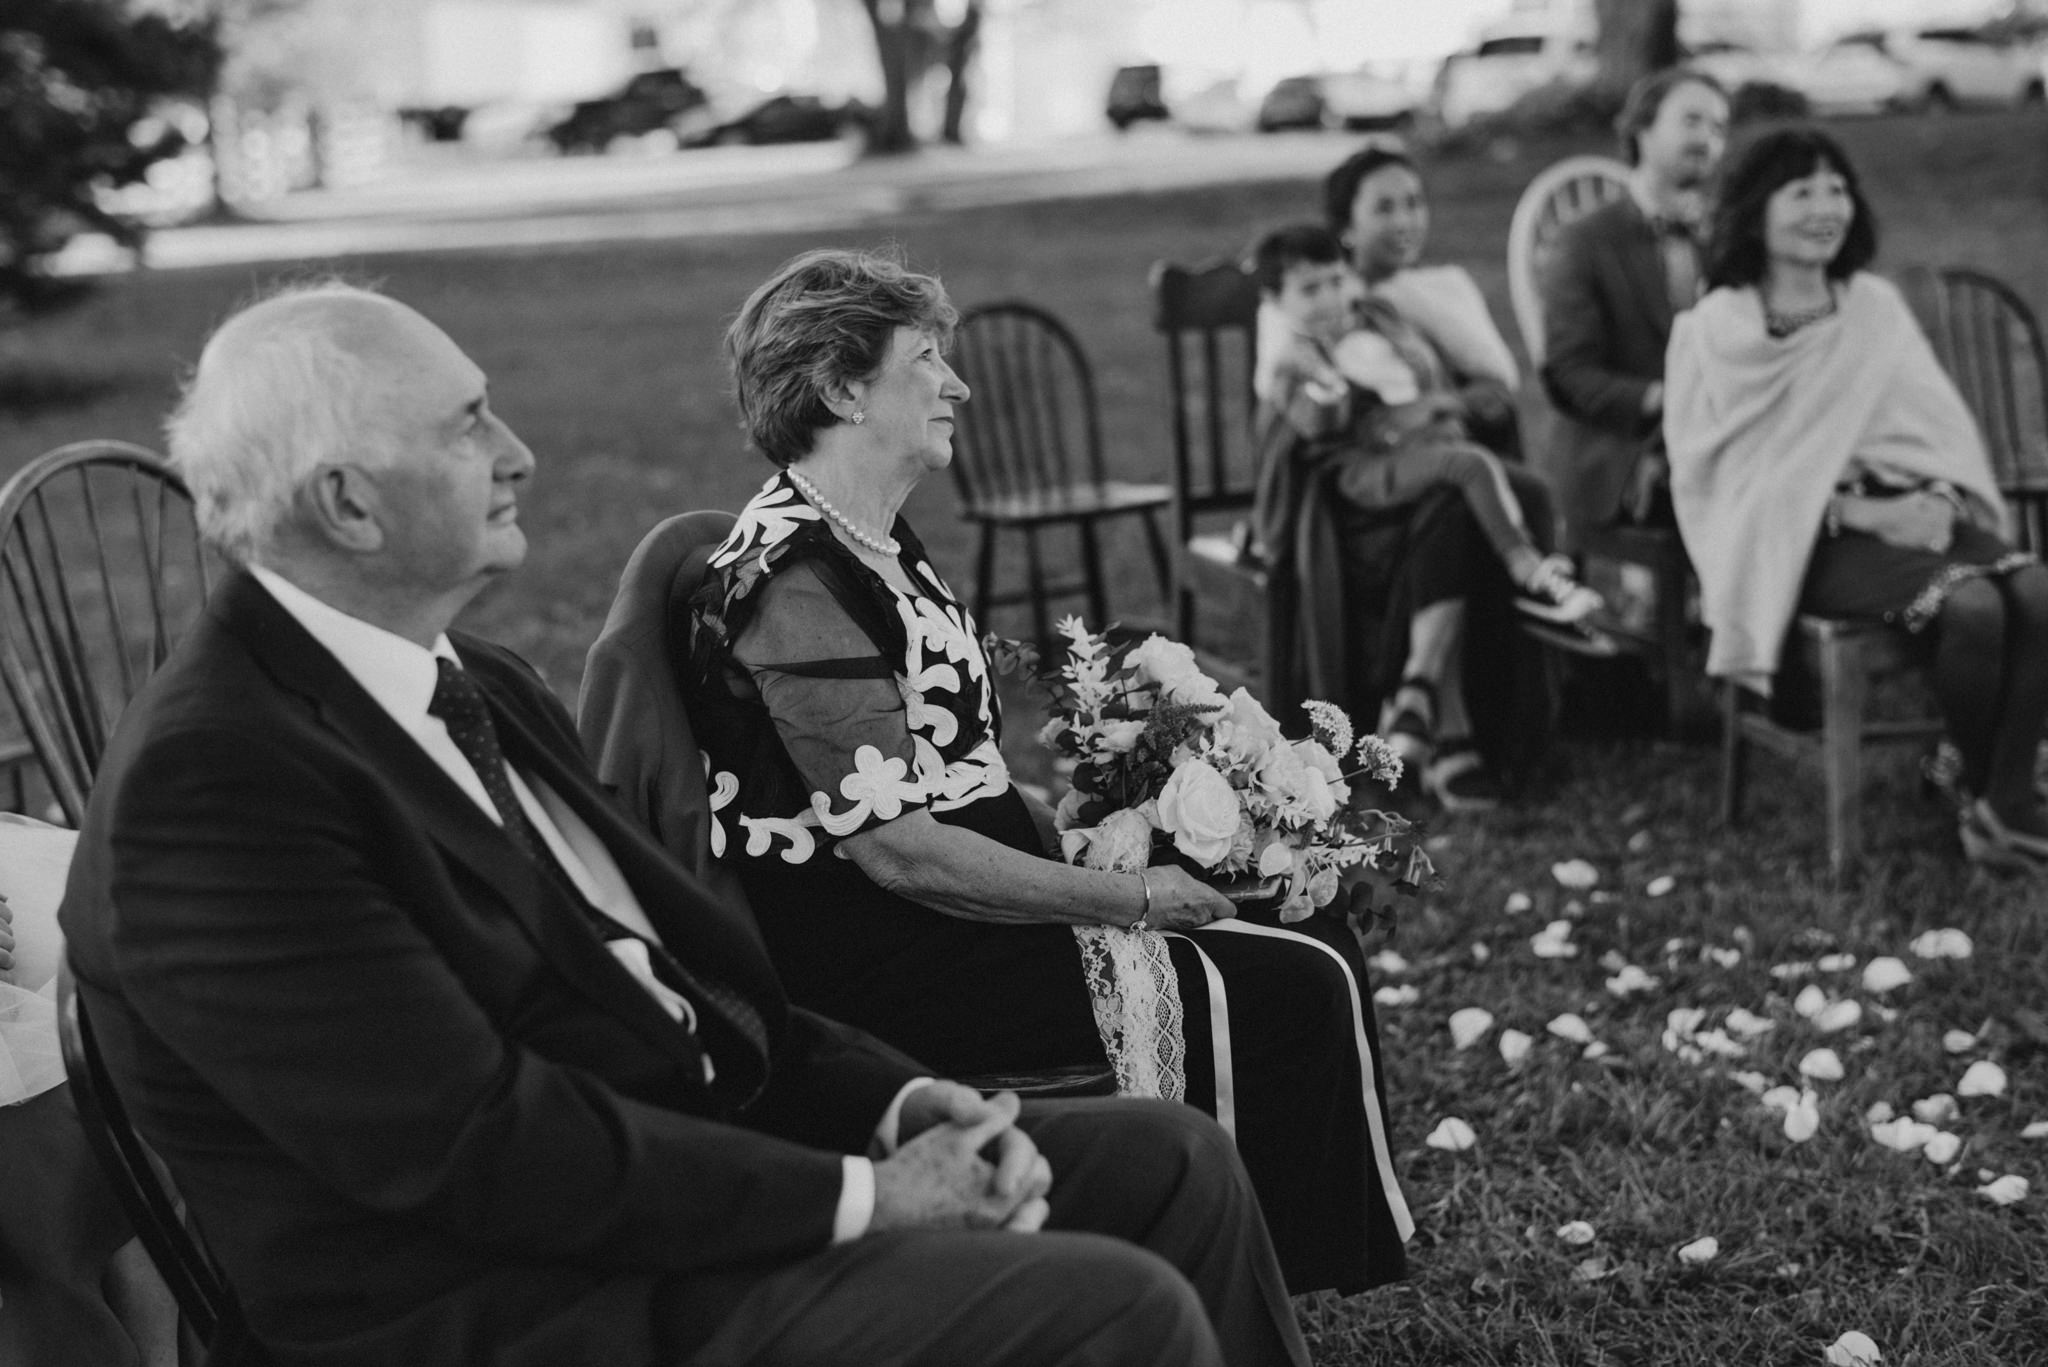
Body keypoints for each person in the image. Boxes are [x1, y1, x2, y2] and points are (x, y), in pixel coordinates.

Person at [56, 281, 1314, 1367]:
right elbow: (482, 1149)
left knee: (1170, 1164)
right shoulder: (217, 788)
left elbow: (699, 973)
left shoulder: (471, 677)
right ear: (348, 502)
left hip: (674, 1177)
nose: (517, 451)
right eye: (465, 425)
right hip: (520, 1303)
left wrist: (902, 1102)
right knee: (1110, 1308)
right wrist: (865, 1196)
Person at [652, 248, 1412, 1297]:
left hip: (958, 899)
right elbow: (898, 849)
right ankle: (1236, 1273)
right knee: (1289, 984)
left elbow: (948, 761)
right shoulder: (792, 578)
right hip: (893, 946)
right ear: (838, 387)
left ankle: (1265, 1269)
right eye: (925, 359)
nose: (956, 383)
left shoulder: (873, 540)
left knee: (1310, 926)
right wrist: (1131, 895)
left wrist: (1089, 810)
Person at [1665, 127, 2048, 868]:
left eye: (1836, 188)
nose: (1825, 207)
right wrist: (1856, 512)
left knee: (2037, 589)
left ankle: (1999, 800)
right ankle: (1993, 799)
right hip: (1797, 542)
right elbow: (1717, 473)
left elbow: (1933, 425)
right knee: (1971, 605)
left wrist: (1938, 494)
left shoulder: (1871, 307)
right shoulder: (1715, 331)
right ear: (1755, 212)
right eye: (1801, 191)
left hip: (1914, 513)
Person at [1308, 143, 1572, 809]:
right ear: (1346, 226)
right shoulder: (1324, 304)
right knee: (1457, 499)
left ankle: (1428, 695)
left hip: (1434, 477)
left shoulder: (1429, 297)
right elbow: (1310, 415)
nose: (1405, 220)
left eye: (1414, 203)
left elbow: (1491, 388)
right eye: (1385, 207)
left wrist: (1437, 406)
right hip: (1362, 500)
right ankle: (1451, 731)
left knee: (1469, 499)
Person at [1251, 220, 1603, 627]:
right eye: (1311, 290)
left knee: (1534, 489)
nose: (1330, 298)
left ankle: (1545, 590)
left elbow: (1420, 372)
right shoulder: (1293, 362)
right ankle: (1527, 569)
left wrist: (1433, 405)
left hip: (1417, 445)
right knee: (1470, 464)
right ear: (1274, 299)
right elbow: (1321, 423)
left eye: (1336, 281)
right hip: (1363, 465)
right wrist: (1325, 381)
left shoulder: (1372, 318)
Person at [1540, 67, 1730, 551]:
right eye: (1691, 121)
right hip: (1624, 448)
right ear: (1642, 128)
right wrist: (1667, 398)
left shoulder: (1728, 235)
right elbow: (1569, 375)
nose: (1706, 138)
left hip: (1723, 427)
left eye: (1718, 128)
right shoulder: (1583, 241)